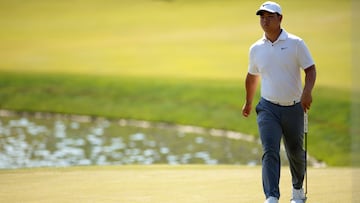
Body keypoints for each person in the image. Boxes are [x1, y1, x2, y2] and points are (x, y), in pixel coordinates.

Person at [242, 1, 316, 203]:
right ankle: (272, 196)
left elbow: (310, 69)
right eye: (262, 17)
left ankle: (298, 192)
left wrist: (307, 92)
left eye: (270, 17)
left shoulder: (296, 43)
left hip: (294, 107)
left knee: (295, 152)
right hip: (268, 108)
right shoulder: (256, 48)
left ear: (280, 18)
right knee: (270, 150)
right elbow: (252, 76)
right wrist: (249, 102)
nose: (265, 21)